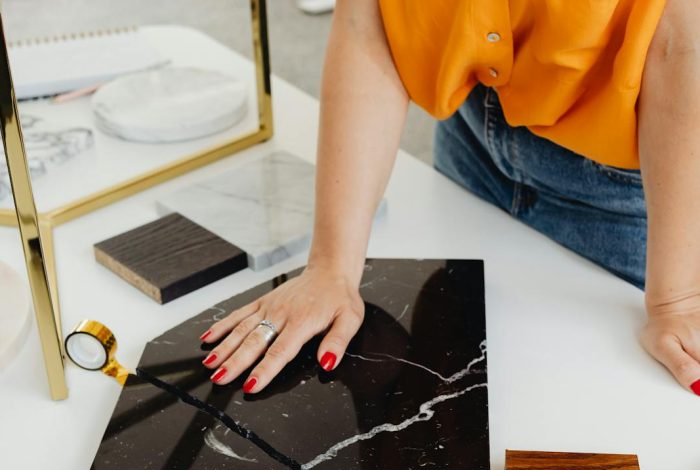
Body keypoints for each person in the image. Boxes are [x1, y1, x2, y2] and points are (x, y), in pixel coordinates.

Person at [199, 0, 700, 397]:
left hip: (638, 178)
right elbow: (366, 21)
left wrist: (679, 297)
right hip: (472, 132)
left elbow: (683, 42)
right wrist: (332, 266)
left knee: (610, 413)